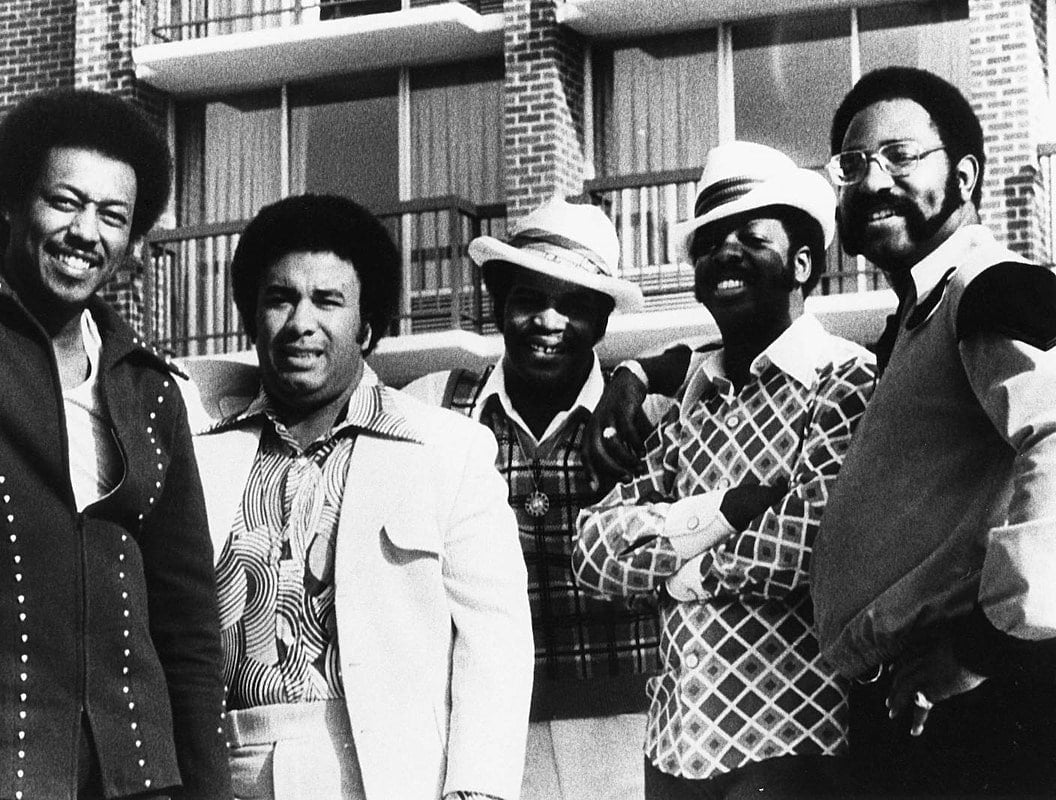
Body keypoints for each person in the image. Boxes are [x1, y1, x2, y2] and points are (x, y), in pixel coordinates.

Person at [0, 89, 230, 798]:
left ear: (133, 239)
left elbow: (187, 626)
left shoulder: (149, 387)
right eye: (66, 201)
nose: (86, 232)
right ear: (12, 204)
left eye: (113, 216)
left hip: (140, 781)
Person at [192, 194, 532, 800]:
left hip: (387, 771)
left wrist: (476, 790)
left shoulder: (447, 450)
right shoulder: (199, 456)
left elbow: (496, 639)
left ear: (368, 324)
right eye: (280, 299)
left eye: (328, 301)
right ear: (252, 317)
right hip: (224, 769)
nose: (301, 323)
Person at [574, 141, 877, 799]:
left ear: (802, 263)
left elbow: (814, 536)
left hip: (793, 738)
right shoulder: (687, 399)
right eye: (709, 242)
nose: (725, 252)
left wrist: (684, 568)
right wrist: (736, 508)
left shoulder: (846, 379)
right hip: (675, 745)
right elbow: (594, 547)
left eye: (750, 235)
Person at [811, 66, 1056, 796]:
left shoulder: (991, 287)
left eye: (901, 156)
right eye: (853, 165)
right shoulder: (917, 320)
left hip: (981, 706)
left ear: (966, 175)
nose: (873, 179)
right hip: (914, 709)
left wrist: (987, 646)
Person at [405, 197, 659, 800]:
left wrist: (649, 372)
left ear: (601, 321)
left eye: (574, 306)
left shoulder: (644, 415)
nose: (549, 321)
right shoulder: (436, 406)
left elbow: (724, 359)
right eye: (529, 300)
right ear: (499, 303)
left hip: (627, 729)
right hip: (486, 734)